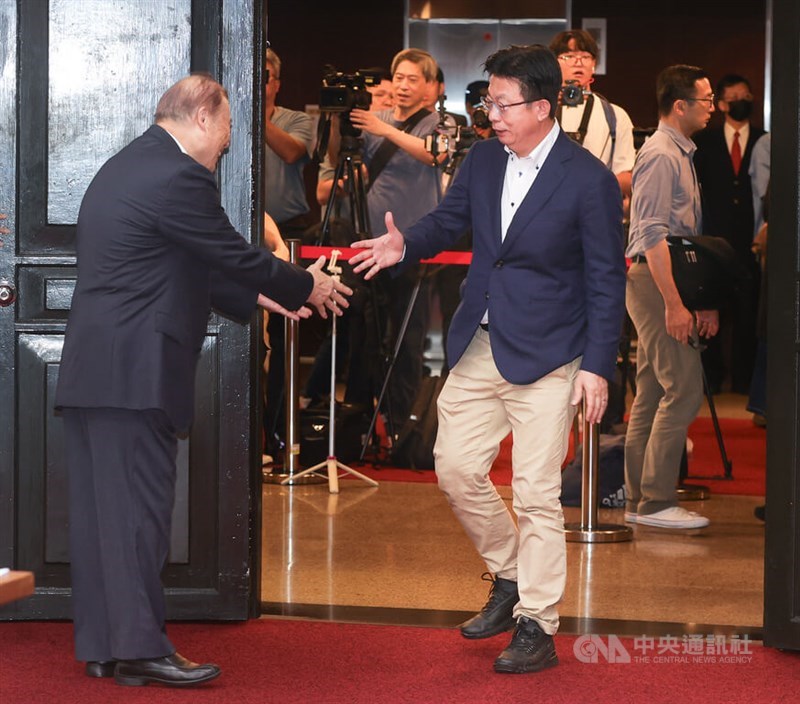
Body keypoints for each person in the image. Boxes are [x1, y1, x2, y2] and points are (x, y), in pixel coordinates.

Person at [54, 73, 350, 688]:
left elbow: (178, 261)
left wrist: (265, 300)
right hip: (133, 372)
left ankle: (109, 646)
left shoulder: (130, 164)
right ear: (203, 118)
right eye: (228, 130)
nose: (226, 144)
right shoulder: (179, 175)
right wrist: (304, 284)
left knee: (107, 517)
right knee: (138, 515)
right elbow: (227, 251)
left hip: (103, 370)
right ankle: (138, 647)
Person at [350, 44, 625, 674]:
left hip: (553, 352)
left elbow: (607, 280)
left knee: (534, 493)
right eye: (488, 102)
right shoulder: (480, 161)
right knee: (454, 469)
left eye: (502, 104)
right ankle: (508, 574)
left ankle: (537, 623)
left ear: (542, 105)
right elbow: (447, 223)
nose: (491, 114)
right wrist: (404, 244)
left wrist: (597, 367)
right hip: (480, 341)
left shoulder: (588, 180)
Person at [624, 65, 719, 531]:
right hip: (656, 281)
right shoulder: (662, 153)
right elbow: (652, 235)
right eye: (706, 99)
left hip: (661, 280)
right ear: (679, 106)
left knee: (654, 390)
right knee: (683, 388)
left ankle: (641, 496)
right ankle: (656, 502)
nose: (713, 106)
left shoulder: (677, 151)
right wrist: (674, 303)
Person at [332, 48, 443, 439]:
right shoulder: (372, 119)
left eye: (414, 79)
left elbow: (435, 155)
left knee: (406, 340)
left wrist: (386, 131)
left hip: (413, 245)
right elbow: (344, 162)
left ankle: (403, 428)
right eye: (399, 78)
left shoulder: (437, 121)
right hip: (369, 244)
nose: (404, 86)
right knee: (368, 336)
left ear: (429, 86)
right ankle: (363, 423)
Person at [693, 74, 766, 394]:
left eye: (746, 94)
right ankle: (711, 378)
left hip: (750, 240)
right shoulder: (704, 141)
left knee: (749, 314)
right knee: (711, 310)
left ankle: (744, 380)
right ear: (721, 105)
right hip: (713, 240)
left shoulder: (764, 140)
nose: (742, 100)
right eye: (734, 96)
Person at [549, 29, 635, 201]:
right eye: (569, 56)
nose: (578, 62)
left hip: (595, 207)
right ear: (554, 63)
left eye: (585, 56)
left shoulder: (615, 115)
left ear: (594, 64)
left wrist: (590, 185)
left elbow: (627, 178)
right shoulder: (541, 109)